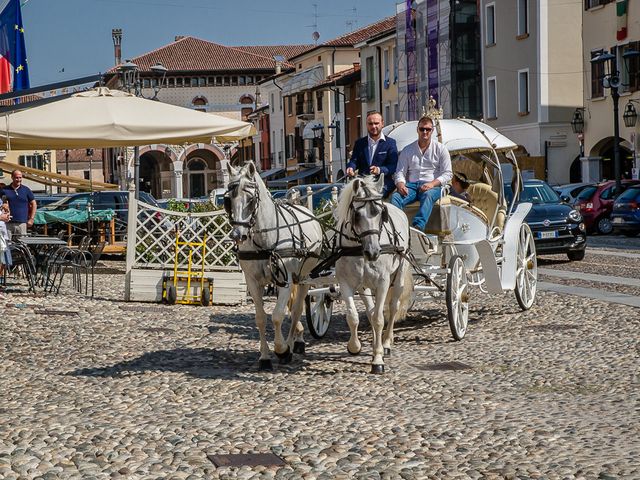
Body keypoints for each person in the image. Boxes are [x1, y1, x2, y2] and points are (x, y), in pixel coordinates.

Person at [391, 115, 453, 230]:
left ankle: (418, 227)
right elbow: (399, 172)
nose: (425, 132)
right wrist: (400, 185)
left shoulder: (441, 149)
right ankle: (398, 227)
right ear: (417, 130)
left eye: (428, 129)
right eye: (422, 129)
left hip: (432, 186)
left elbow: (448, 173)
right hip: (412, 186)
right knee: (395, 197)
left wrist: (432, 184)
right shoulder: (407, 150)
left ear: (432, 131)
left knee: (428, 195)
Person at [345, 111, 398, 197]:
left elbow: (393, 166)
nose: (373, 126)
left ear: (382, 124)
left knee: (372, 198)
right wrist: (351, 167)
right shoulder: (359, 143)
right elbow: (354, 160)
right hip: (363, 183)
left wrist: (379, 170)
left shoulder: (390, 143)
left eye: (376, 123)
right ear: (366, 125)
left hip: (383, 184)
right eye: (370, 124)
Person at [1, 169, 37, 239]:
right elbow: (1, 203)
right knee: (7, 245)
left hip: (22, 223)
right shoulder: (4, 190)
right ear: (12, 177)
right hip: (7, 223)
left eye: (20, 177)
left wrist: (31, 219)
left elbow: (34, 204)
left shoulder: (26, 190)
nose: (18, 179)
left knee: (22, 245)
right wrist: (2, 205)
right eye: (16, 177)